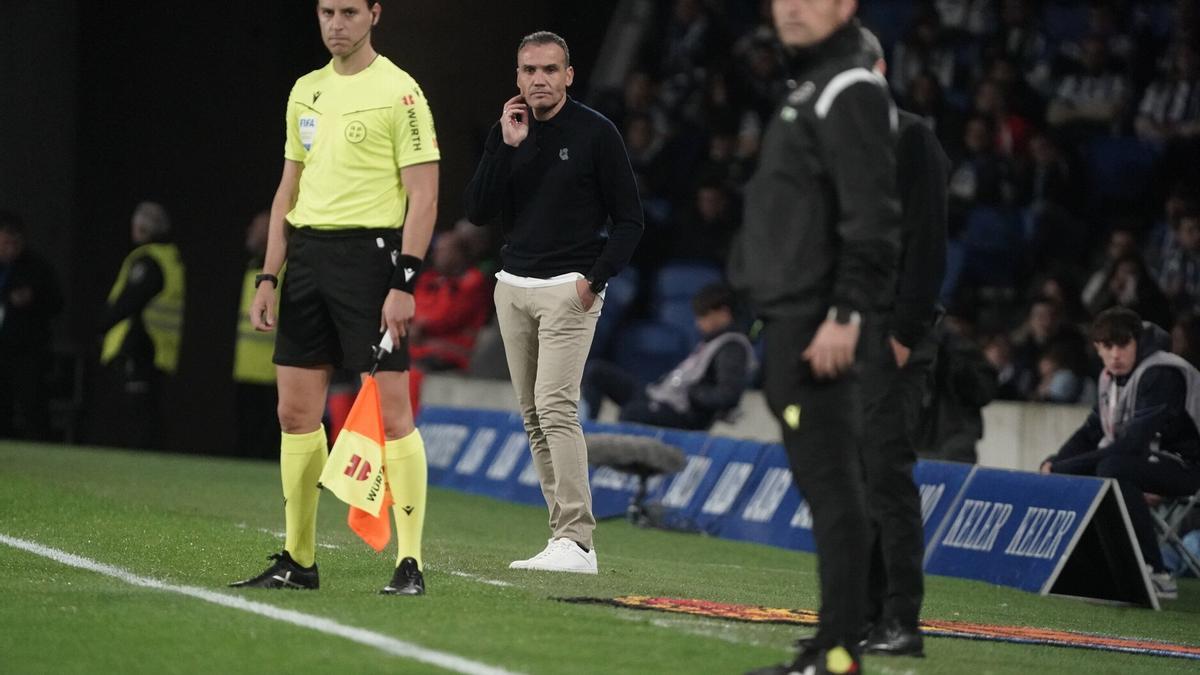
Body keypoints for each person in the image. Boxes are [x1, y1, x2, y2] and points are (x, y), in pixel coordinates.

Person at [230, 0, 439, 597]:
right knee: (295, 414)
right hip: (309, 262)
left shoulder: (401, 91)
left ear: (375, 14)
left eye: (349, 11)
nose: (335, 24)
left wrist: (405, 281)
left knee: (394, 415)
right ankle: (299, 559)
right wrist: (269, 275)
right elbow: (286, 189)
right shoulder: (305, 90)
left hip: (371, 263)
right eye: (326, 12)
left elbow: (423, 197)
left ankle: (410, 563)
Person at [732, 1, 902, 673]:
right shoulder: (815, 83)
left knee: (833, 485)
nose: (791, 7)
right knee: (829, 484)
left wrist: (845, 314)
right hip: (791, 317)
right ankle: (837, 637)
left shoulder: (850, 87)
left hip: (818, 323)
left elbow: (874, 219)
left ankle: (838, 648)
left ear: (846, 5)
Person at [465, 31, 643, 574]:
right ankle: (561, 537)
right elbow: (476, 211)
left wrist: (593, 281)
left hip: (569, 288)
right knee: (533, 416)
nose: (537, 79)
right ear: (516, 77)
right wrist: (503, 144)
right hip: (513, 287)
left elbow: (630, 220)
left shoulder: (597, 133)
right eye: (527, 71)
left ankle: (579, 541)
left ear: (568, 75)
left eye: (549, 70)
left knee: (556, 407)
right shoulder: (510, 132)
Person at [854, 27, 947, 659]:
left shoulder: (912, 137)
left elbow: (928, 241)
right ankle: (862, 615)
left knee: (886, 476)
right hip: (847, 331)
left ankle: (900, 619)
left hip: (892, 334)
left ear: (879, 70)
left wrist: (904, 333)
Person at [1041, 307, 1200, 601]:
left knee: (1113, 467)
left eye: (1123, 344)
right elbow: (1091, 431)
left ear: (1137, 341)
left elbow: (1132, 445)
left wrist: (1065, 465)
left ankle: (1157, 571)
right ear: (1097, 348)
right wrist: (1055, 462)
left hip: (1188, 464)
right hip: (1148, 462)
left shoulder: (1161, 372)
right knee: (1097, 466)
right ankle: (1096, 566)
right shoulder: (1109, 378)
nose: (1115, 354)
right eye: (1107, 346)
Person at [581, 283, 755, 430]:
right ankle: (587, 428)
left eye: (703, 316)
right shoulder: (711, 341)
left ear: (723, 312)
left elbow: (728, 396)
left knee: (633, 413)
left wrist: (694, 393)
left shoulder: (732, 347)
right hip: (657, 395)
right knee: (596, 371)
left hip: (681, 412)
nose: (698, 323)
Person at [98, 201, 185, 450]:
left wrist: (102, 325)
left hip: (140, 343)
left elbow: (129, 300)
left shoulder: (148, 260)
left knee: (136, 410)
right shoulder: (171, 258)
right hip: (159, 346)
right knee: (147, 408)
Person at [0, 211, 64, 440]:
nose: (11, 248)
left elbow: (57, 303)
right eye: (6, 242)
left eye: (16, 243)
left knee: (33, 404)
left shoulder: (37, 268)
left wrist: (32, 299)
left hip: (27, 350)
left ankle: (40, 449)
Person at [231, 211, 279, 459]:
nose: (250, 231)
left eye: (256, 227)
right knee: (247, 436)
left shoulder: (283, 271)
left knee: (267, 438)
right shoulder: (251, 267)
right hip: (246, 368)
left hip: (272, 372)